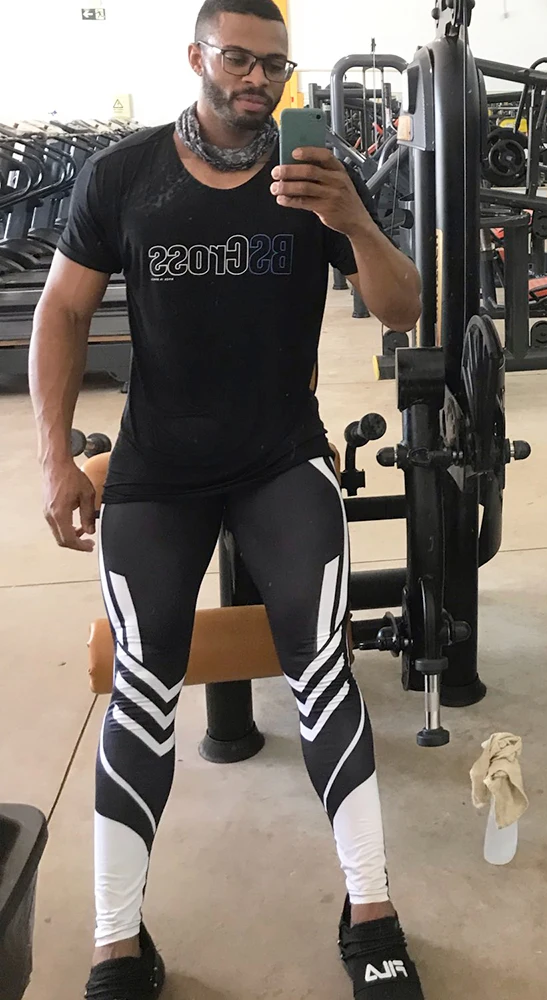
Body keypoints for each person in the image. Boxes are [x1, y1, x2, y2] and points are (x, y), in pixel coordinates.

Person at [29, 1, 425, 997]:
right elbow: (63, 309)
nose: (258, 80)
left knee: (323, 665)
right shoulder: (122, 175)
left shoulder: (319, 174)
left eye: (275, 66)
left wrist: (351, 220)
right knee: (144, 681)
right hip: (158, 465)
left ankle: (371, 909)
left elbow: (403, 307)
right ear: (197, 57)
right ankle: (116, 941)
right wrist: (55, 459)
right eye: (239, 59)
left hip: (279, 457)